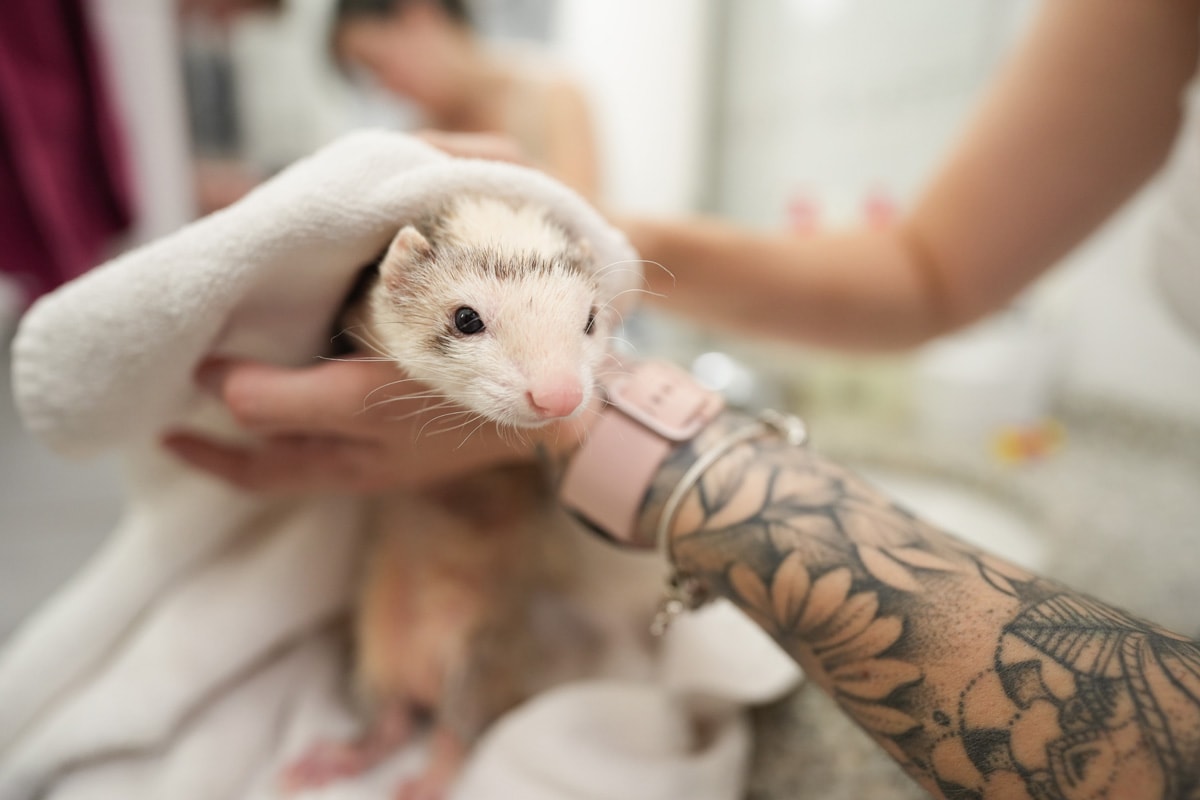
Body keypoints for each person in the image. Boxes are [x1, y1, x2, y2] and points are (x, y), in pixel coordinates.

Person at [163, 1, 1200, 797]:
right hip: (510, 355)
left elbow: (572, 258)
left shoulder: (544, 95)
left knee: (493, 585)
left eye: (376, 56)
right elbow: (927, 269)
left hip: (574, 386)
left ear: (423, 19)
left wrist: (600, 420)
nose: (380, 80)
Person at [331, 0, 600, 198]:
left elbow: (589, 224)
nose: (383, 88)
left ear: (417, 12)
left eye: (376, 65)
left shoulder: (551, 97)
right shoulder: (418, 132)